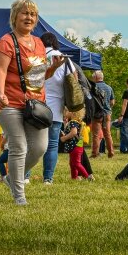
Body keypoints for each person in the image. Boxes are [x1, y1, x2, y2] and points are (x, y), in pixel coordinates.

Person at [0, 0, 64, 205]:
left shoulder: (39, 43)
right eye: (25, 13)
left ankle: (11, 178)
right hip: (10, 103)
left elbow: (39, 77)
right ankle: (19, 195)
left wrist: (54, 68)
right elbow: (0, 71)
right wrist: (0, 94)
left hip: (35, 105)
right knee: (19, 147)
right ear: (15, 16)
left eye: (32, 14)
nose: (29, 18)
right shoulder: (5, 42)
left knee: (40, 147)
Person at [38, 32, 77, 184]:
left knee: (31, 142)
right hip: (57, 106)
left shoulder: (39, 56)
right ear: (55, 43)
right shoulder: (64, 58)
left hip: (38, 105)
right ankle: (48, 178)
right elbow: (74, 80)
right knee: (52, 144)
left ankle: (25, 176)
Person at [59, 107, 91, 180]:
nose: (64, 113)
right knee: (72, 163)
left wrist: (64, 138)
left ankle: (87, 176)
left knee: (76, 163)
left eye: (66, 111)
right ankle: (74, 177)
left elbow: (74, 132)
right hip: (77, 145)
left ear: (72, 113)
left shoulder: (73, 122)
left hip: (75, 146)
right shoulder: (77, 121)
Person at [91, 70, 115, 158]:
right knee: (107, 134)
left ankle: (95, 154)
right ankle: (111, 152)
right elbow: (112, 102)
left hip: (97, 114)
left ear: (96, 78)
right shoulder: (109, 88)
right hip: (107, 113)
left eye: (93, 77)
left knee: (96, 135)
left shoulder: (93, 87)